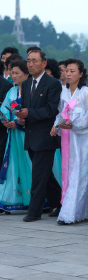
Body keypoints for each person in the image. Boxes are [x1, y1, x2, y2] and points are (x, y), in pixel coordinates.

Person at [50, 59, 88, 224]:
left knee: (82, 172)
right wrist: (56, 126)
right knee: (70, 172)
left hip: (85, 138)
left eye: (72, 71)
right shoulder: (63, 92)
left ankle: (72, 212)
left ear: (81, 74)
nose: (68, 74)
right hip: (68, 137)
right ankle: (81, 208)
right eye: (67, 71)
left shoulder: (87, 93)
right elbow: (60, 114)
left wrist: (74, 125)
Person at [16, 50, 62, 222]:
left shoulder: (52, 84)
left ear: (44, 63)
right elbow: (25, 108)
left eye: (34, 61)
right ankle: (60, 202)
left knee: (38, 175)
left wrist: (30, 113)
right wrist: (22, 118)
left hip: (45, 137)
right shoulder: (27, 84)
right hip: (30, 135)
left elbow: (52, 110)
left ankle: (34, 212)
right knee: (45, 175)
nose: (30, 64)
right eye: (28, 61)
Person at [0, 59, 32, 212]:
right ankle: (14, 199)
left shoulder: (31, 90)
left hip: (27, 135)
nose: (13, 76)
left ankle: (33, 199)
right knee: (14, 164)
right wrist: (5, 120)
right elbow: (5, 108)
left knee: (29, 164)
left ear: (26, 74)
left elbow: (32, 112)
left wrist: (18, 123)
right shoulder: (12, 91)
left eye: (17, 73)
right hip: (14, 136)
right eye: (12, 73)